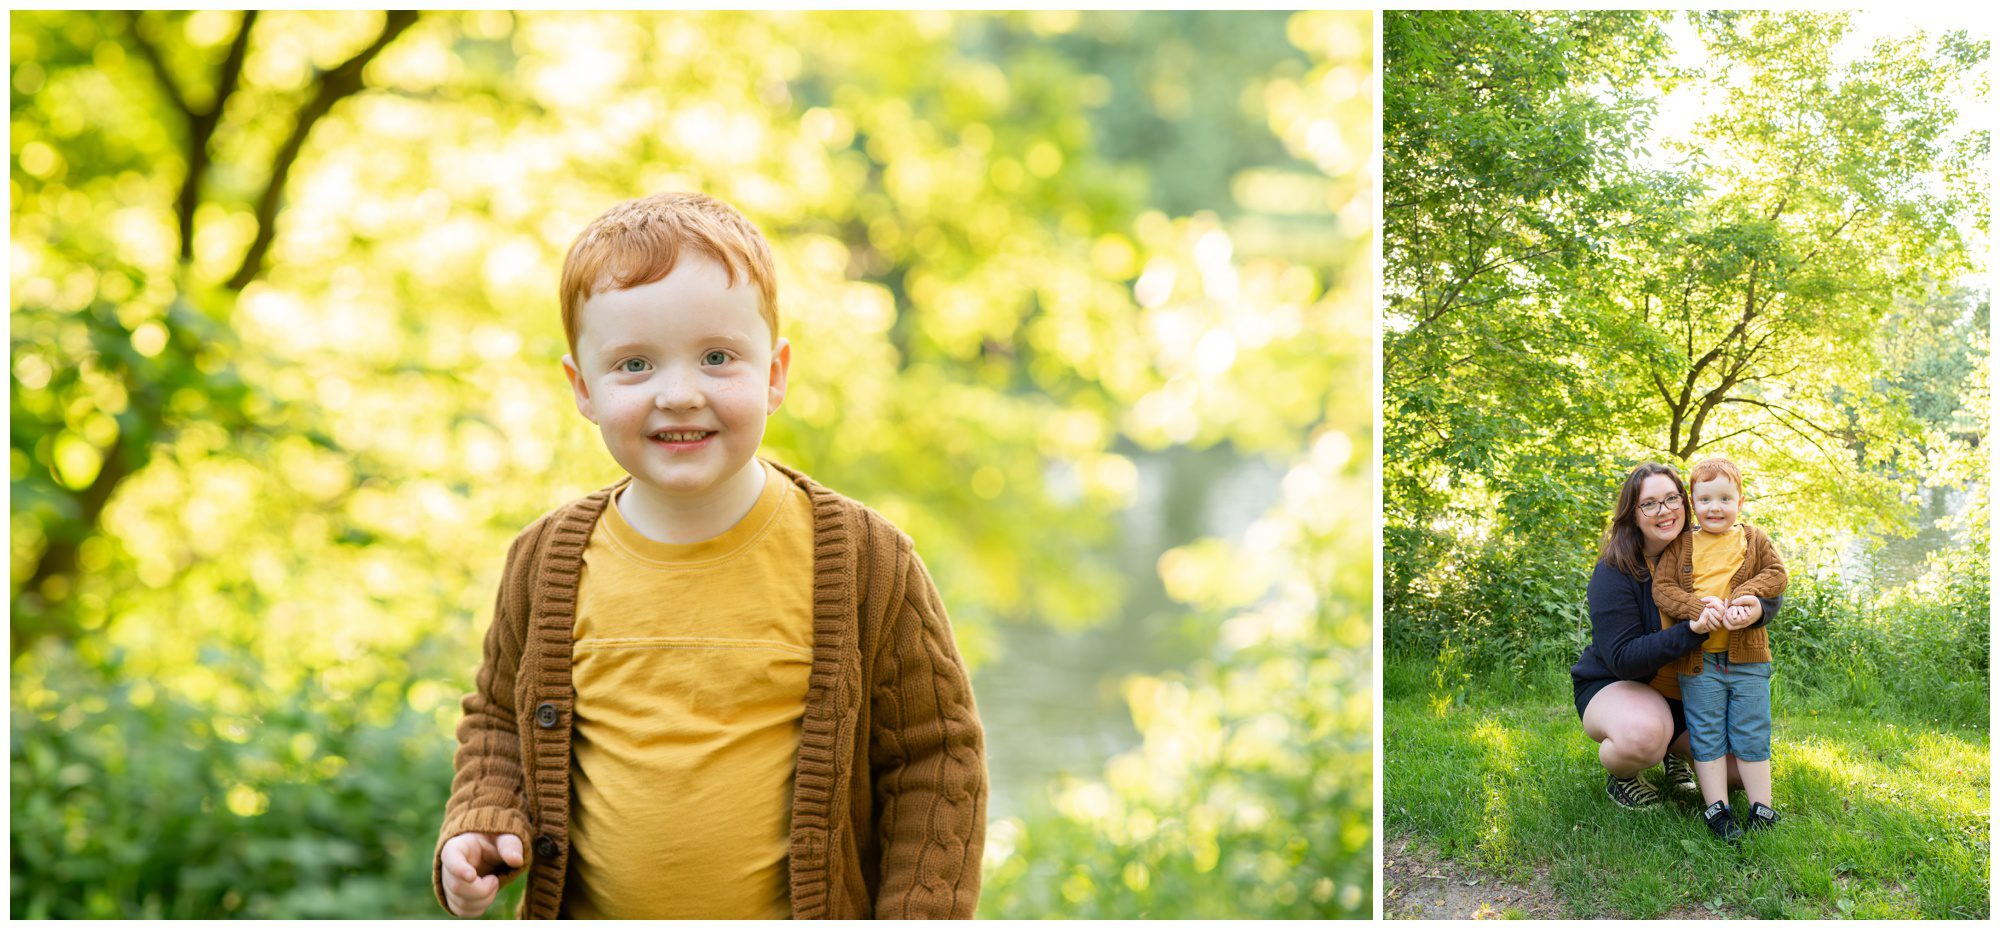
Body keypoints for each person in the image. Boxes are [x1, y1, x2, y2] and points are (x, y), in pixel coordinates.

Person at [432, 193, 987, 919]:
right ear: (583, 389)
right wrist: (479, 823)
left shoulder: (863, 560)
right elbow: (501, 720)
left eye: (718, 358)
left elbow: (934, 756)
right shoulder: (546, 562)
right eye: (634, 365)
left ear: (775, 373)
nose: (680, 394)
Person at [1570, 462, 1780, 810]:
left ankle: (1673, 754)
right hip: (1622, 686)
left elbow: (1762, 583)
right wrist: (1692, 631)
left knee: (1741, 775)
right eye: (1650, 503)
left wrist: (1759, 608)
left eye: (1671, 498)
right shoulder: (1615, 569)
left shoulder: (1704, 546)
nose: (1664, 510)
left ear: (1687, 502)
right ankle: (1623, 775)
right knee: (1643, 735)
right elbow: (1623, 659)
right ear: (1632, 514)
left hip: (1691, 690)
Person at [1649, 457, 1785, 842]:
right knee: (1706, 732)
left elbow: (1777, 575)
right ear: (1693, 502)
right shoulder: (1682, 544)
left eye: (1725, 498)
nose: (1715, 508)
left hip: (1748, 660)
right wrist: (1696, 609)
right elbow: (1663, 588)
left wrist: (1745, 595)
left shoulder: (1754, 539)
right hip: (1700, 663)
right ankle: (1717, 808)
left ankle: (1763, 808)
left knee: (1752, 730)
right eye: (1706, 499)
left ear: (1740, 502)